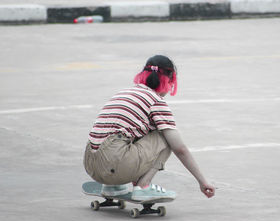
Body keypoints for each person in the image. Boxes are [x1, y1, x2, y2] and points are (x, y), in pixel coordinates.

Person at [83, 55, 215, 201]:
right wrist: (202, 181)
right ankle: (143, 186)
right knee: (165, 136)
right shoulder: (155, 101)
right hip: (115, 165)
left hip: (91, 165)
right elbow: (180, 149)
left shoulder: (124, 93)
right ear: (169, 80)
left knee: (136, 132)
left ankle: (112, 187)